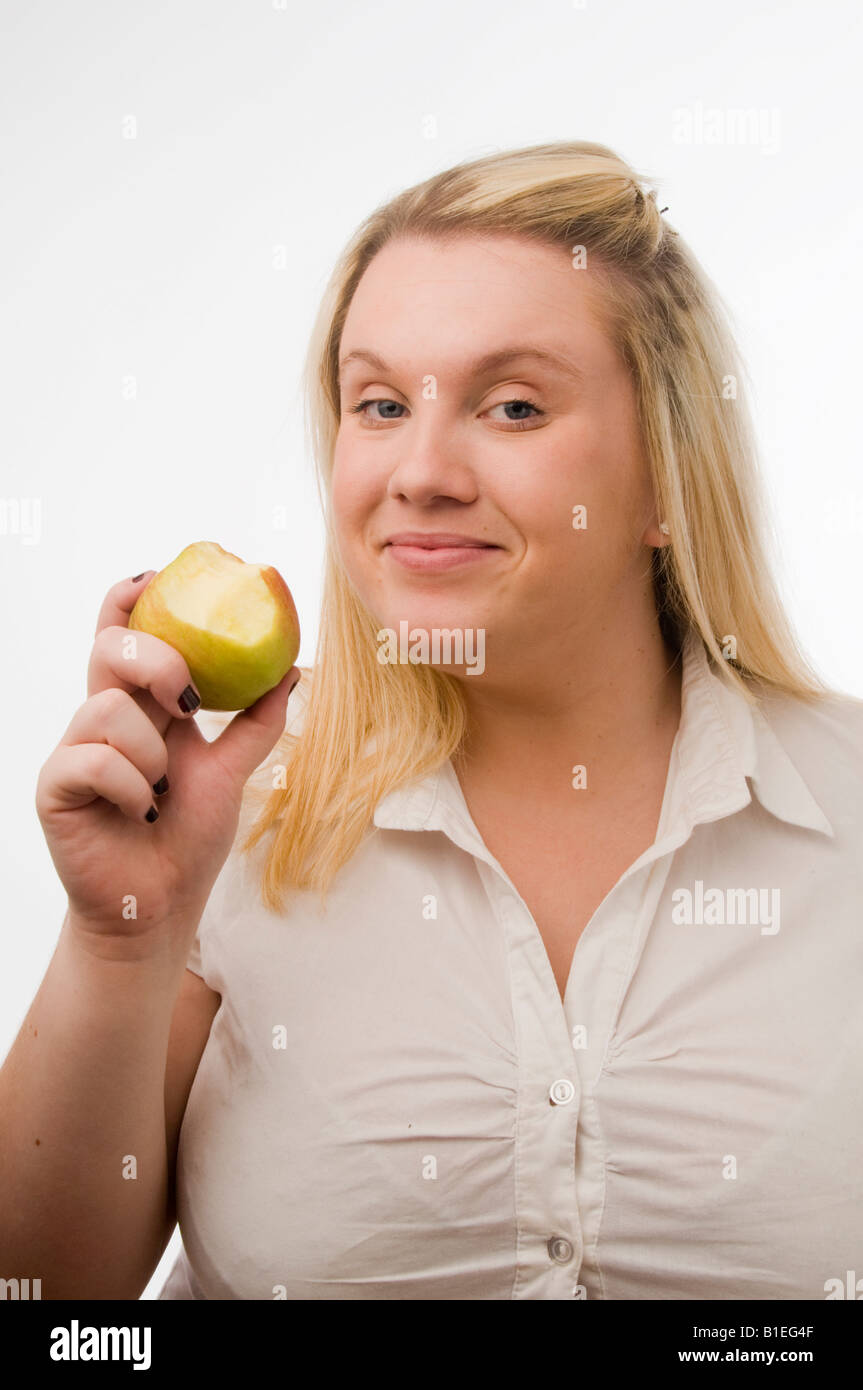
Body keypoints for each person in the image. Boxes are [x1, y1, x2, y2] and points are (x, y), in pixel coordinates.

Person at [4, 141, 862, 1301]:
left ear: (663, 473)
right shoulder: (225, 827)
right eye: (378, 403)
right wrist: (123, 938)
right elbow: (44, 1307)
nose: (417, 469)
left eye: (511, 405)